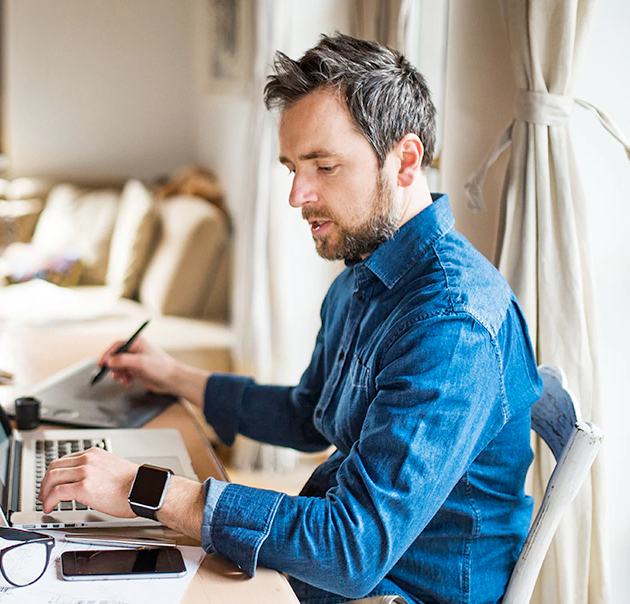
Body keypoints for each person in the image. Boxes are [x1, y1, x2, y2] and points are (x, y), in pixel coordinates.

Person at [38, 34, 542, 603]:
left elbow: (352, 548)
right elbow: (308, 415)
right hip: (342, 568)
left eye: (324, 166)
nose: (298, 195)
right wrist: (173, 376)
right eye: (292, 168)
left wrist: (143, 487)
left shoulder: (451, 325)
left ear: (405, 161)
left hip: (394, 589)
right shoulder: (365, 270)